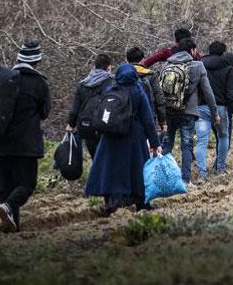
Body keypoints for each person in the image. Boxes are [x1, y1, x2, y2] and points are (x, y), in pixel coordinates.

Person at [85, 63, 162, 215]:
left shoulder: (110, 89)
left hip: (111, 136)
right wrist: (154, 142)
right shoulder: (138, 91)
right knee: (137, 170)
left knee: (111, 169)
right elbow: (147, 120)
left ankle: (112, 202)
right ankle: (142, 203)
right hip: (134, 137)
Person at [0, 39, 51, 232]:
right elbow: (45, 113)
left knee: (6, 187)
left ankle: (11, 225)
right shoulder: (39, 83)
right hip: (25, 144)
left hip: (0, 142)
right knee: (27, 184)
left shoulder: (3, 78)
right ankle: (9, 208)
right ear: (37, 61)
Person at [162, 38, 219, 185]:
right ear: (192, 51)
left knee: (167, 143)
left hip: (169, 111)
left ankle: (162, 178)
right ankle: (185, 180)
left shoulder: (167, 64)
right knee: (186, 145)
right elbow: (208, 92)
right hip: (188, 112)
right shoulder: (198, 66)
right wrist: (215, 113)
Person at [195, 42, 233, 179]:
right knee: (223, 137)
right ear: (223, 53)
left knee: (201, 141)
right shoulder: (228, 68)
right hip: (221, 109)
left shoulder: (198, 65)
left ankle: (202, 174)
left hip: (201, 108)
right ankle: (220, 169)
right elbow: (232, 94)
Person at [66, 54, 113, 159]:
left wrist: (71, 124)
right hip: (104, 126)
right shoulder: (112, 82)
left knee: (94, 156)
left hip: (86, 125)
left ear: (95, 66)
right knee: (104, 158)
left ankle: (94, 172)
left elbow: (75, 107)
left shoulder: (84, 83)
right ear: (108, 67)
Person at [126, 46, 167, 133]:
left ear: (127, 60)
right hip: (148, 116)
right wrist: (162, 121)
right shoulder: (151, 75)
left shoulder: (120, 75)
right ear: (142, 60)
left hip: (126, 118)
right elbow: (159, 98)